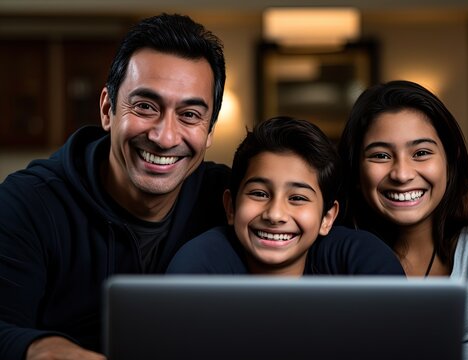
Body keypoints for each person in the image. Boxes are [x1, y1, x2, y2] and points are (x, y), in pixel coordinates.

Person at [0, 13, 229, 360]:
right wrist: (40, 348)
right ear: (107, 110)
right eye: (145, 107)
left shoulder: (232, 200)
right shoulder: (27, 203)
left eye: (190, 115)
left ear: (210, 131)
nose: (164, 137)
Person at [336, 80, 468, 359]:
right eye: (381, 155)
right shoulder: (337, 246)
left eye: (421, 153)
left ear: (450, 158)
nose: (402, 174)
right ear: (356, 170)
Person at [167, 116, 404, 276]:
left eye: (298, 198)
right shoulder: (198, 263)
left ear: (327, 218)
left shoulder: (361, 257)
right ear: (230, 207)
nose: (275, 214)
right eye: (259, 193)